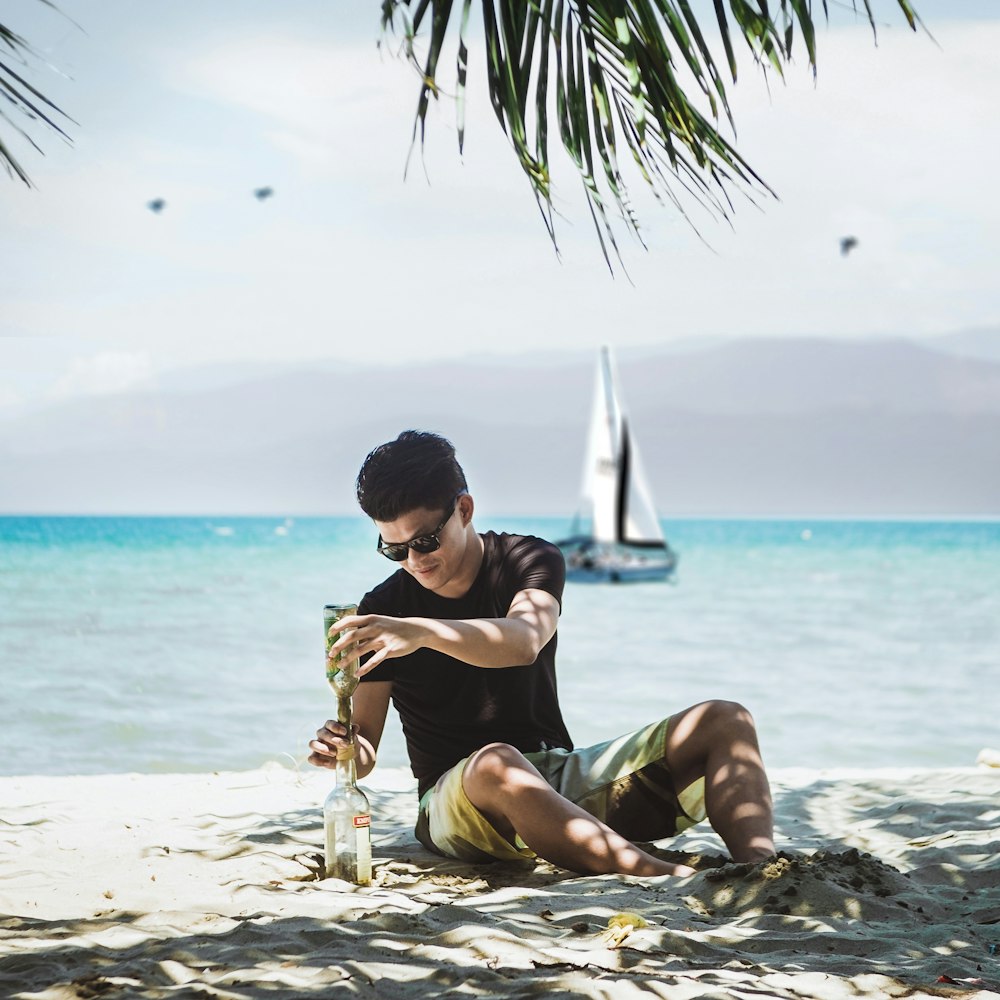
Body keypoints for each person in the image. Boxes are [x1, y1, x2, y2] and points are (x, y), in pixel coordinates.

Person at [309, 430, 774, 878]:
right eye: (394, 549)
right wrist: (347, 748)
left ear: (464, 509)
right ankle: (665, 875)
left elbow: (524, 640)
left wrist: (422, 632)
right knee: (496, 761)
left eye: (425, 541)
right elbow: (365, 747)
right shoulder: (384, 610)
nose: (414, 560)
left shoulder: (528, 559)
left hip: (551, 780)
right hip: (455, 801)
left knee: (726, 719)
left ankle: (761, 870)